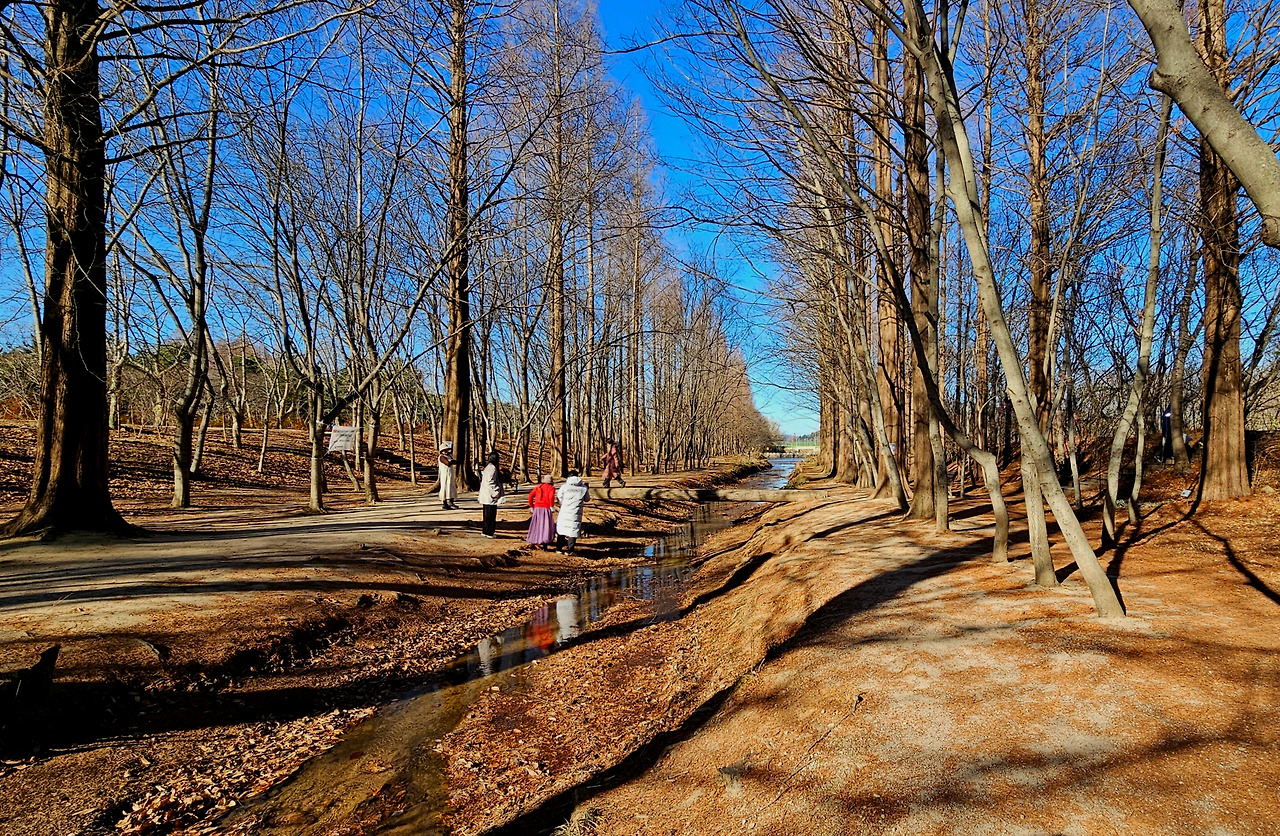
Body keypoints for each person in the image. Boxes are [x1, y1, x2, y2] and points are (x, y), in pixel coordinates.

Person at [555, 469, 590, 553]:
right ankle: (570, 550)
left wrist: (563, 503)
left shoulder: (564, 486)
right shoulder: (583, 488)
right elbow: (587, 499)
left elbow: (559, 496)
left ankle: (559, 548)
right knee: (573, 529)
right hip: (576, 511)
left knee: (562, 528)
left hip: (565, 510)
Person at [478, 450, 504, 538]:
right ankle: (489, 532)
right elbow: (490, 480)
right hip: (490, 494)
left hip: (486, 494)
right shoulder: (492, 468)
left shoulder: (488, 467)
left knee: (487, 514)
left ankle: (486, 531)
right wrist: (497, 488)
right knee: (491, 515)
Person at [526, 475, 555, 547]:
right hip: (546, 507)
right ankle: (545, 540)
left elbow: (530, 496)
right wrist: (551, 506)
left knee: (537, 523)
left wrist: (531, 506)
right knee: (546, 524)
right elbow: (551, 497)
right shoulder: (551, 488)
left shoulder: (538, 487)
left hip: (537, 508)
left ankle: (535, 539)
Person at [438, 441, 458, 510]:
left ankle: (451, 501)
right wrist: (451, 461)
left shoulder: (449, 456)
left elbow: (455, 462)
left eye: (446, 450)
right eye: (444, 450)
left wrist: (452, 461)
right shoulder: (441, 457)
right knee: (445, 487)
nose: (446, 451)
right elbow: (447, 463)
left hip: (450, 474)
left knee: (451, 487)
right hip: (444, 475)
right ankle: (444, 503)